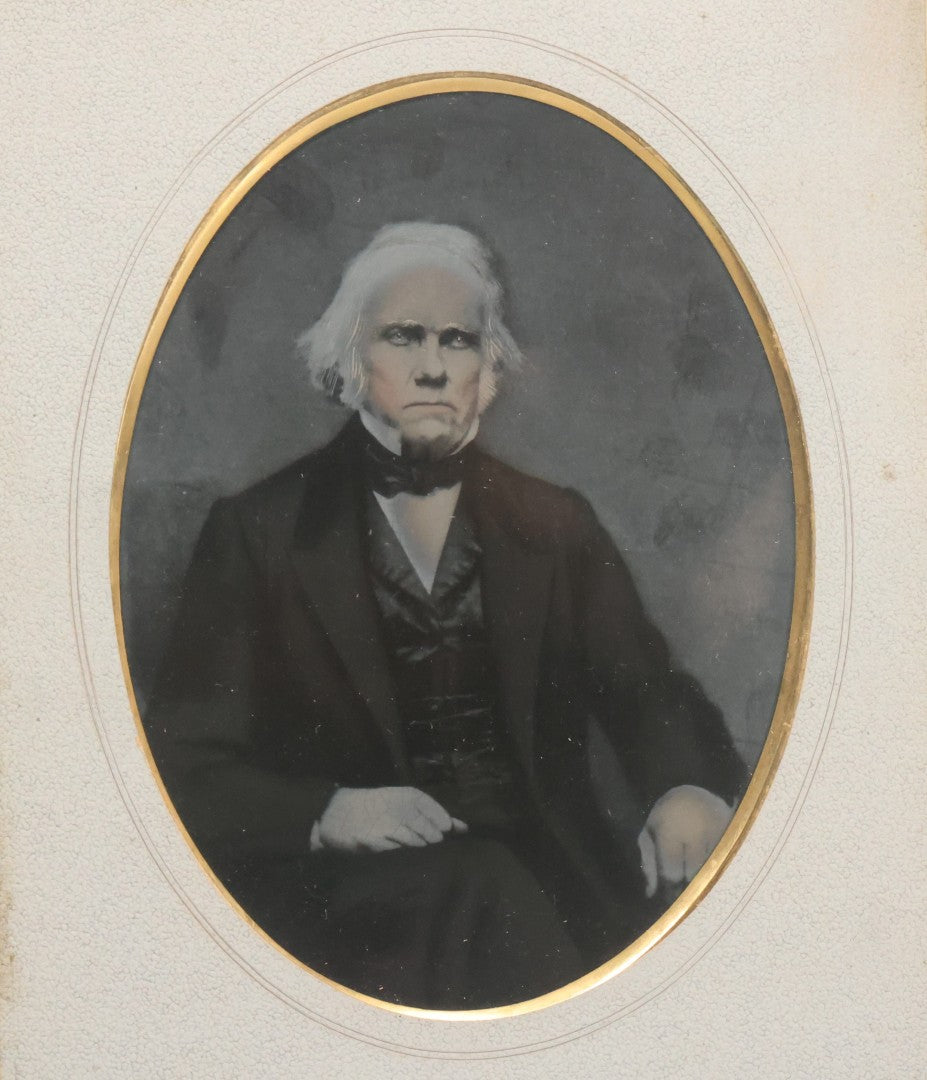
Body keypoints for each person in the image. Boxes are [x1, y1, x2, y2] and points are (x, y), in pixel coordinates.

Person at [145, 222, 747, 1010]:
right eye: (403, 336)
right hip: (352, 904)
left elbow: (646, 691)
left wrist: (684, 788)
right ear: (350, 359)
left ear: (486, 370)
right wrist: (326, 812)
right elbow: (184, 763)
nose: (432, 366)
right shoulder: (260, 532)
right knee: (480, 892)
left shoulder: (555, 523)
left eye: (457, 340)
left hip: (551, 875)